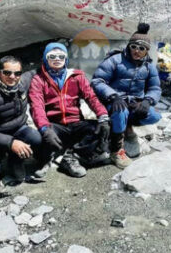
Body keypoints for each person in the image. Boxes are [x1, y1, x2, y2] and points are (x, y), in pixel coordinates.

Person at [29, 42, 110, 178]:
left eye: (61, 56)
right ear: (45, 59)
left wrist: (102, 115)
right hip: (54, 125)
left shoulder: (76, 77)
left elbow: (92, 98)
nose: (57, 59)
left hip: (75, 122)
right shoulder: (38, 80)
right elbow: (37, 106)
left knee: (101, 128)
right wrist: (44, 128)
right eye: (52, 56)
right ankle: (46, 160)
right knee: (39, 137)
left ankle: (71, 157)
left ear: (66, 59)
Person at [92, 22, 162, 168]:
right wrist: (113, 96)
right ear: (129, 46)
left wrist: (148, 101)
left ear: (147, 51)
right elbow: (98, 80)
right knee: (119, 111)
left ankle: (126, 126)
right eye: (134, 46)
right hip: (114, 101)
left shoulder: (149, 66)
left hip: (135, 102)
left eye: (141, 48)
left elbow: (155, 87)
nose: (137, 51)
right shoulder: (115, 60)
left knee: (154, 116)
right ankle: (116, 150)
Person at [0, 56, 49, 190]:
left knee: (36, 138)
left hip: (17, 129)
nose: (13, 77)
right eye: (7, 73)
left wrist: (56, 62)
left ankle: (15, 161)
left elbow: (35, 72)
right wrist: (11, 143)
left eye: (17, 73)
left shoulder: (22, 83)